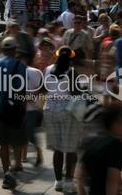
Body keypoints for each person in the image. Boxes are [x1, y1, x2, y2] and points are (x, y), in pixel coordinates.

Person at [0, 37, 27, 189]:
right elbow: (22, 88)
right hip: (16, 107)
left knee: (3, 143)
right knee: (17, 140)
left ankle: (6, 172)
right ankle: (17, 164)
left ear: (3, 49)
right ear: (15, 50)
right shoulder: (20, 65)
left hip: (1, 107)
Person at [43, 46, 80, 193]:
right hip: (67, 109)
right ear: (71, 58)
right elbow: (75, 92)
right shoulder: (71, 72)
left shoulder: (47, 69)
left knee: (57, 148)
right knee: (71, 149)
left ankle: (58, 181)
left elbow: (44, 88)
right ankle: (69, 182)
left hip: (50, 108)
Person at [76, 105, 122, 195]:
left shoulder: (94, 141)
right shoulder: (116, 145)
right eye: (121, 122)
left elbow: (80, 175)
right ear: (113, 124)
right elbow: (112, 180)